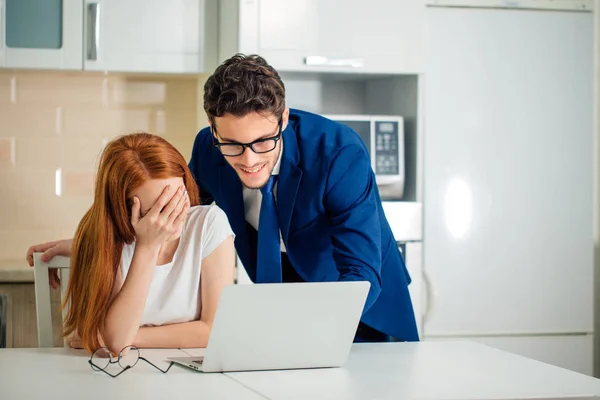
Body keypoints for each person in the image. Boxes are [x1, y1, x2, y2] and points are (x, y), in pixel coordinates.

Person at [28, 53, 418, 343]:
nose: (248, 161)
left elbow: (362, 276)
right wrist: (95, 241)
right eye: (231, 144)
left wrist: (314, 332)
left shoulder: (338, 154)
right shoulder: (209, 150)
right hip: (281, 309)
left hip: (365, 314)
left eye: (263, 141)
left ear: (282, 120)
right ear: (213, 129)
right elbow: (175, 220)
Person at [27, 133, 235, 354]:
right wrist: (147, 247)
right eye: (156, 211)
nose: (171, 219)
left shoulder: (209, 223)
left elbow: (215, 330)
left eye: (178, 201)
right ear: (123, 210)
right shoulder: (108, 240)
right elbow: (117, 342)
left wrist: (127, 336)